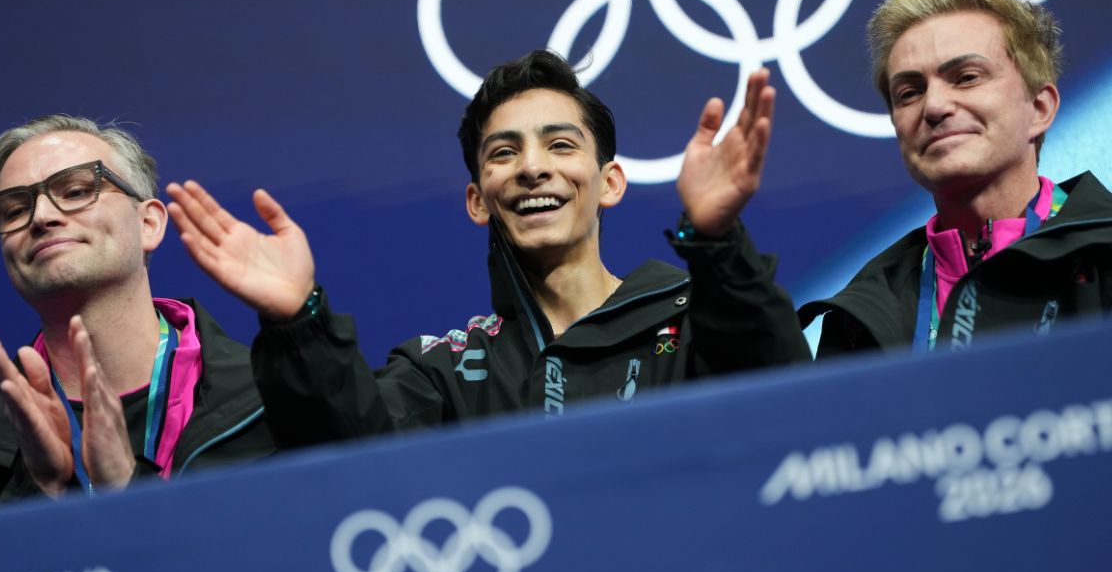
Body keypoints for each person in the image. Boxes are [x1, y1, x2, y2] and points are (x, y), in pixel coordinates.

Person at [167, 50, 808, 447]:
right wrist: (297, 322)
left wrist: (717, 242)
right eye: (504, 153)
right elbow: (347, 458)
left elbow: (793, 404)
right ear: (478, 199)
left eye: (560, 146)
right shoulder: (442, 373)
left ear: (609, 183)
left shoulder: (695, 319)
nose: (532, 169)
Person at [0, 115, 275, 520]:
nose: (41, 217)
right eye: (15, 210)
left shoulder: (276, 398)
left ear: (148, 224)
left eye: (77, 190)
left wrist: (126, 486)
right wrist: (41, 490)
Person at [800, 0, 1112, 355]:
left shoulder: (1105, 253)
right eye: (909, 92)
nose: (934, 106)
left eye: (966, 77)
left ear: (1039, 108)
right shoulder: (858, 316)